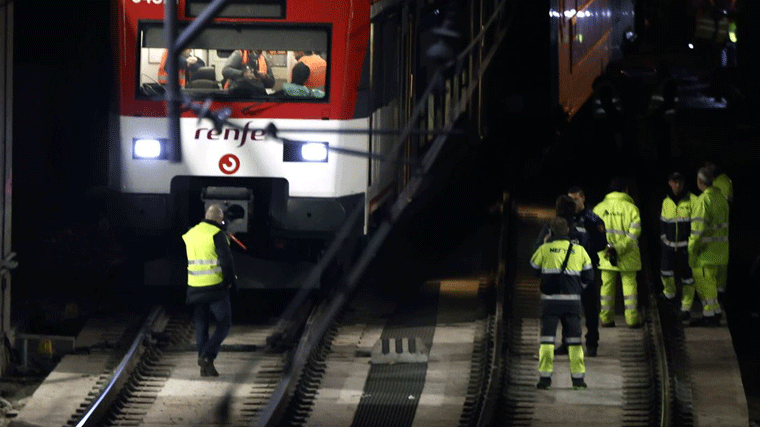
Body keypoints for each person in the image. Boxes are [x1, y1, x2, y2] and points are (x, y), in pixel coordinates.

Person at [531, 217, 593, 390]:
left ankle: (544, 380)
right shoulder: (579, 250)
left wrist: (544, 245)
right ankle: (578, 381)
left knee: (547, 341)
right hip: (572, 303)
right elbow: (589, 277)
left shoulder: (545, 249)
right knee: (574, 342)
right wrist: (578, 289)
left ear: (550, 232)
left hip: (550, 303)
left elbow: (534, 270)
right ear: (567, 231)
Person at [182, 204, 237, 376]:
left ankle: (205, 367)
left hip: (195, 287)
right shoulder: (217, 235)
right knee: (224, 323)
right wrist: (231, 283)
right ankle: (207, 354)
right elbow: (227, 262)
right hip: (215, 288)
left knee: (201, 326)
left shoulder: (191, 234)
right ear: (220, 220)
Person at [593, 177, 642, 328]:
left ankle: (606, 319)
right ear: (625, 190)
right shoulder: (632, 209)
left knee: (606, 287)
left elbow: (594, 233)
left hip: (606, 255)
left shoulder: (598, 208)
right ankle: (632, 320)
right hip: (628, 256)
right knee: (629, 288)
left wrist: (609, 247)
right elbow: (634, 234)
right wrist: (619, 247)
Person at [682, 167, 728, 326]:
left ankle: (709, 315)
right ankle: (715, 312)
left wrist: (691, 249)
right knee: (712, 284)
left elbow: (698, 231)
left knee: (705, 285)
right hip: (720, 251)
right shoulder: (721, 198)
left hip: (704, 253)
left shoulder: (703, 201)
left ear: (700, 182)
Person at [566, 186, 608, 356]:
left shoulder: (593, 218)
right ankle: (567, 342)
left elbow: (601, 243)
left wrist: (585, 248)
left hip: (587, 269)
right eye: (570, 200)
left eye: (575, 199)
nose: (573, 203)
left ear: (583, 198)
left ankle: (592, 343)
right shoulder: (565, 217)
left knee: (590, 308)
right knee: (567, 308)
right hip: (569, 270)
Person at [659, 172, 698, 307]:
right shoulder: (666, 201)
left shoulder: (692, 200)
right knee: (666, 273)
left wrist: (692, 243)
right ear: (670, 183)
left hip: (686, 247)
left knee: (688, 278)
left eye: (679, 182)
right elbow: (663, 223)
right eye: (674, 182)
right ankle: (669, 295)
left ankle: (686, 307)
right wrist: (664, 239)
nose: (677, 185)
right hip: (669, 246)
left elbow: (697, 224)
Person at [704, 160, 732, 296]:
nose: (707, 168)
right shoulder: (715, 181)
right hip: (713, 230)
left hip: (719, 229)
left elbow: (724, 207)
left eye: (709, 165)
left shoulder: (724, 182)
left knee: (720, 261)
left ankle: (719, 291)